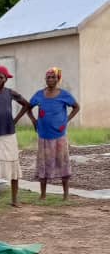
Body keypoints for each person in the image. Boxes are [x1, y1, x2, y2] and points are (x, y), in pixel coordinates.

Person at [0, 65, 33, 207]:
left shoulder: (10, 93)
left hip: (9, 135)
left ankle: (14, 199)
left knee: (13, 167)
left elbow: (27, 105)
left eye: (1, 77)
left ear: (5, 79)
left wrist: (15, 120)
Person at [29, 66, 80, 201]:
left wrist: (66, 120)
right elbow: (28, 107)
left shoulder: (64, 95)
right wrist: (34, 120)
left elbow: (76, 107)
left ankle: (65, 194)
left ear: (58, 79)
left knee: (63, 163)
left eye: (53, 77)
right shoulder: (39, 94)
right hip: (43, 135)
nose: (50, 79)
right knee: (43, 164)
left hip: (59, 135)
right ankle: (43, 194)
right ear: (45, 79)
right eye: (48, 77)